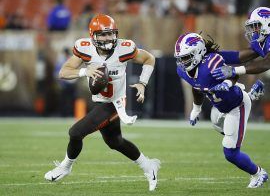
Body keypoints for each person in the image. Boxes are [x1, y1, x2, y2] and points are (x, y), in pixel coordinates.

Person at [44, 14, 160, 191]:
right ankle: (148, 165)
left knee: (75, 132)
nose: (108, 38)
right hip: (99, 101)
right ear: (93, 36)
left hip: (115, 103)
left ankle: (65, 167)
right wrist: (85, 71)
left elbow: (149, 58)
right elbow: (64, 72)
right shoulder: (84, 48)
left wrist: (143, 83)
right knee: (115, 142)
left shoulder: (124, 48)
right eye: (103, 34)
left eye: (110, 34)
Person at [174, 32, 268, 188]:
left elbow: (231, 73)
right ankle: (251, 95)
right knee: (217, 123)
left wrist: (228, 83)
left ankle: (259, 173)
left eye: (185, 57)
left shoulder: (211, 63)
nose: (182, 63)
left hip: (236, 106)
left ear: (198, 53)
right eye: (180, 58)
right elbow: (197, 88)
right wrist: (196, 109)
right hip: (219, 106)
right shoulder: (183, 71)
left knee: (230, 152)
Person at [212, 7, 270, 80]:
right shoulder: (261, 38)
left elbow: (267, 63)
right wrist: (214, 55)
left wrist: (235, 70)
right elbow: (241, 56)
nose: (254, 30)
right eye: (252, 26)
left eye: (257, 26)